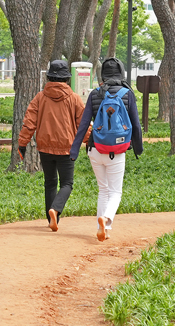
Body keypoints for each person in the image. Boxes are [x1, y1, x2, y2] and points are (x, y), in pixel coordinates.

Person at [71, 57, 143, 242]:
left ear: (103, 74)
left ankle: (101, 229)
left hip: (95, 149)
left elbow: (84, 124)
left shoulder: (95, 94)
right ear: (121, 72)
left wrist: (75, 149)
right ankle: (107, 219)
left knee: (103, 190)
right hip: (117, 150)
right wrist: (138, 148)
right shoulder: (127, 94)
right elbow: (136, 125)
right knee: (115, 192)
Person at [17, 60, 86, 232]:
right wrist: (89, 141)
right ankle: (55, 209)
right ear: (67, 79)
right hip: (66, 148)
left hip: (45, 148)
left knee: (50, 182)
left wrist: (22, 143)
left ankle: (51, 220)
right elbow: (83, 124)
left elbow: (29, 123)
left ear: (49, 77)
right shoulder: (74, 98)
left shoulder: (40, 98)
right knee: (67, 183)